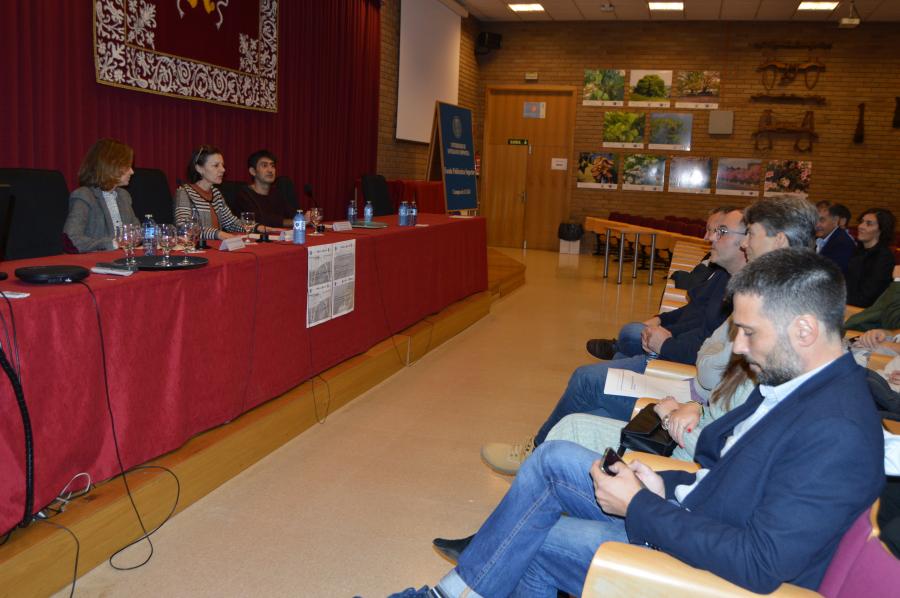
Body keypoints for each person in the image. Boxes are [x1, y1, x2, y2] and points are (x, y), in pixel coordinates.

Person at [391, 249, 884, 598]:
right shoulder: (801, 385)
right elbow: (726, 476)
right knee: (555, 459)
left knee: (536, 537)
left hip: (714, 568)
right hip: (694, 513)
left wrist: (642, 505)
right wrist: (660, 483)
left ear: (804, 329)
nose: (738, 347)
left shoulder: (836, 429)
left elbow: (758, 565)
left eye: (749, 332)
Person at [482, 209, 748, 475]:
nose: (710, 237)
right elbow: (702, 332)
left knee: (587, 379)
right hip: (690, 385)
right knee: (596, 399)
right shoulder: (729, 279)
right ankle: (553, 463)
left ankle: (536, 451)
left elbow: (709, 361)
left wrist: (666, 345)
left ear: (746, 242)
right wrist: (662, 325)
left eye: (721, 232)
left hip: (686, 388)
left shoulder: (749, 296)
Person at [588, 207, 734, 359]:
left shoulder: (727, 276)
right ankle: (620, 353)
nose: (706, 237)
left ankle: (617, 348)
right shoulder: (720, 270)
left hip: (680, 345)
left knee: (630, 332)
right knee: (630, 336)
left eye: (713, 230)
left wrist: (668, 332)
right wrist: (661, 319)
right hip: (678, 337)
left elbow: (701, 325)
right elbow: (694, 306)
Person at [62, 138, 140, 252]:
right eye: (127, 166)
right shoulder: (84, 196)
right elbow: (71, 239)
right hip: (96, 263)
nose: (132, 172)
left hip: (123, 260)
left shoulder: (124, 196)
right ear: (111, 166)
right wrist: (113, 244)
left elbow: (136, 231)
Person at [174, 145, 243, 241]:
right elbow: (184, 227)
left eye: (223, 165)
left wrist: (258, 228)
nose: (223, 170)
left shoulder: (216, 193)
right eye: (216, 165)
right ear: (199, 168)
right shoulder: (184, 192)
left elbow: (231, 223)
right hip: (195, 250)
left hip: (216, 248)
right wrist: (218, 234)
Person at [846, 208, 896, 308]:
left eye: (869, 224)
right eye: (862, 222)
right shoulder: (859, 250)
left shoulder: (883, 257)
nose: (861, 226)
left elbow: (867, 297)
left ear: (881, 230)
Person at [233, 149, 295, 229]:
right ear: (253, 171)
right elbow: (259, 220)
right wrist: (294, 222)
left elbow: (292, 214)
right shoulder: (244, 194)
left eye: (272, 166)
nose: (270, 170)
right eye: (264, 166)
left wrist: (305, 218)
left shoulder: (277, 193)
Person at [815, 202, 856, 273]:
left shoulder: (842, 244)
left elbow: (830, 274)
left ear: (835, 220)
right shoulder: (819, 238)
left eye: (822, 220)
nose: (817, 225)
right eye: (815, 220)